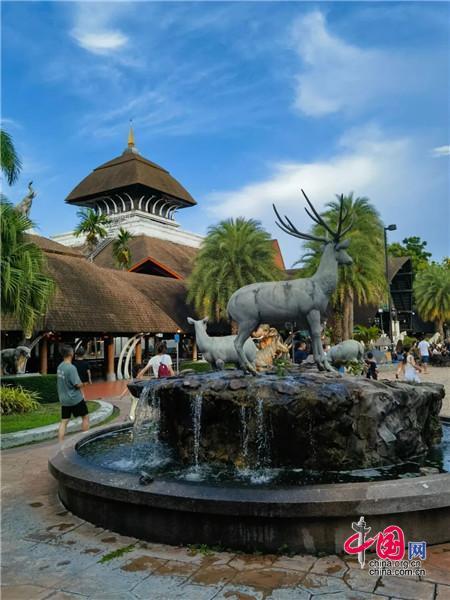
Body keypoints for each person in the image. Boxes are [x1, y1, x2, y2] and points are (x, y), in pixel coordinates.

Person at [57, 346, 89, 442]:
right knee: (85, 417)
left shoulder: (60, 366)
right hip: (75, 399)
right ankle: (86, 440)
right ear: (71, 354)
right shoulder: (71, 368)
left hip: (64, 399)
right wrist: (84, 384)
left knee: (64, 421)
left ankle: (60, 443)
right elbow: (77, 384)